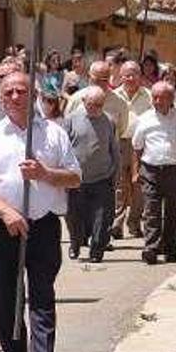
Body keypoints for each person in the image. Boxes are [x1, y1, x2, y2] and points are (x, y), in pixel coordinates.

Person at [0, 72, 82, 352]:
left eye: (21, 91)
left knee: (42, 297)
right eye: (9, 93)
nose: (15, 97)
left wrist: (45, 173)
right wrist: (5, 212)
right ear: (1, 98)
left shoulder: (54, 133)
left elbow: (75, 177)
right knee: (6, 300)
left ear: (34, 95)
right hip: (4, 227)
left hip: (43, 225)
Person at [63, 86, 119, 263]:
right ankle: (75, 243)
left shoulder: (109, 121)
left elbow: (115, 151)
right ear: (83, 102)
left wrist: (115, 176)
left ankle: (97, 251)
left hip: (102, 178)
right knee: (74, 217)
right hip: (76, 179)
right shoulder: (71, 120)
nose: (95, 108)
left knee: (102, 219)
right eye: (91, 104)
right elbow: (63, 149)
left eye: (99, 105)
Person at [131, 81, 176, 265]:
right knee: (151, 210)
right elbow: (137, 148)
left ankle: (171, 248)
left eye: (161, 97)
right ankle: (151, 248)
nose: (156, 101)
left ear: (171, 99)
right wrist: (135, 172)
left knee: (173, 211)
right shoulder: (145, 119)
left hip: (173, 170)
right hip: (151, 170)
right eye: (154, 97)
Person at [112, 61, 152, 240]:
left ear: (140, 76)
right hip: (119, 143)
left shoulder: (149, 96)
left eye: (133, 74)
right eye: (126, 75)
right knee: (119, 186)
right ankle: (116, 225)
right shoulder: (113, 96)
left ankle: (134, 224)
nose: (129, 78)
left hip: (142, 146)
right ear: (120, 77)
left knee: (139, 185)